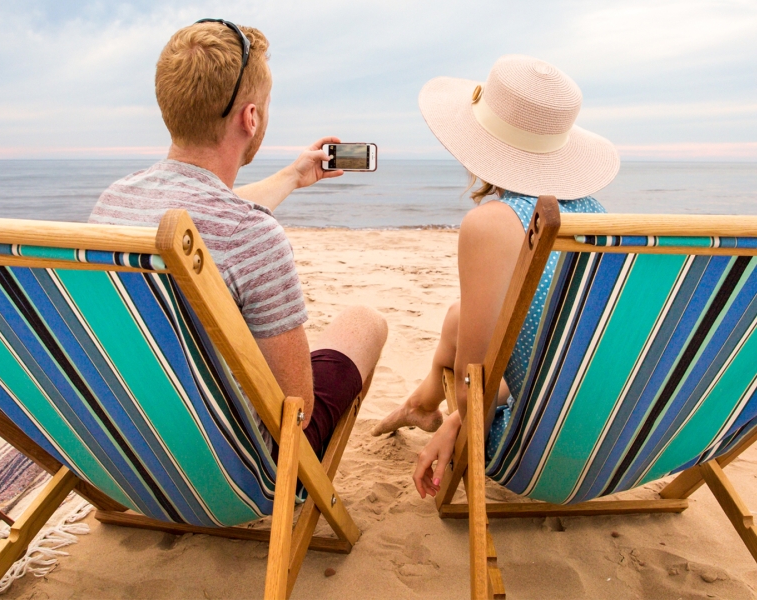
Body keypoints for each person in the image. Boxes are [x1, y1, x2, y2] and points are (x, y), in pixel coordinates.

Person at [89, 19, 387, 457]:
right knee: (365, 321)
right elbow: (297, 412)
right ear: (251, 117)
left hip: (128, 445)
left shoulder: (112, 205)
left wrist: (291, 177)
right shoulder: (253, 236)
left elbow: (202, 207)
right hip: (238, 462)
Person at [370, 55, 620, 498]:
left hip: (536, 449)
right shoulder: (599, 219)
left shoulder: (492, 224)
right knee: (457, 316)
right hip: (619, 439)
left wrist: (457, 423)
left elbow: (472, 394)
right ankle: (422, 403)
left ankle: (425, 409)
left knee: (464, 335)